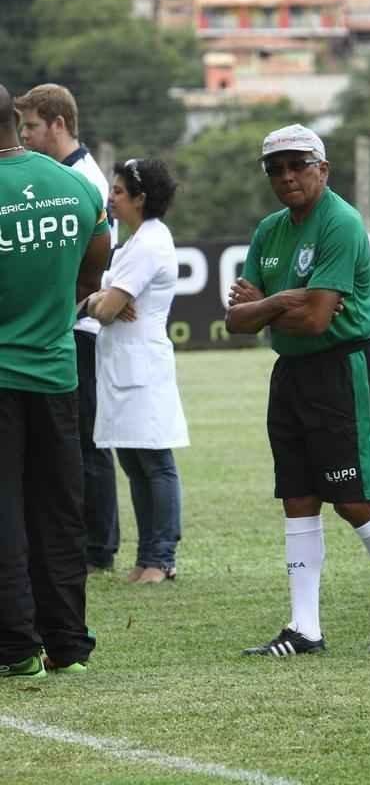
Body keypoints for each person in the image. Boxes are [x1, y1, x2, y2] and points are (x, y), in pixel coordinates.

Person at [226, 123, 370, 654]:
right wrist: (281, 302)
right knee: (297, 496)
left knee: (350, 498)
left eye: (298, 164)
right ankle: (305, 629)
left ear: (324, 169)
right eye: (276, 168)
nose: (287, 175)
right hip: (291, 375)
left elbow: (319, 319)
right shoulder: (269, 230)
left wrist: (267, 304)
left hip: (342, 371)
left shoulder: (340, 222)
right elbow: (235, 320)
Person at [0, 84, 110, 678]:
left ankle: (16, 648)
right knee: (60, 513)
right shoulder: (75, 186)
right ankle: (68, 643)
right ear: (15, 123)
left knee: (5, 511)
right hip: (57, 370)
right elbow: (90, 272)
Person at [15, 83, 120, 574]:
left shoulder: (82, 180)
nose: (24, 135)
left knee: (87, 441)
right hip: (62, 327)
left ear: (58, 123)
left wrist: (66, 305)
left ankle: (98, 545)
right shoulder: (62, 175)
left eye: (31, 125)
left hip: (74, 329)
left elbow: (97, 260)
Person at [87, 158, 190, 585]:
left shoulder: (149, 244)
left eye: (118, 191)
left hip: (141, 365)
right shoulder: (134, 242)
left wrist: (99, 299)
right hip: (123, 364)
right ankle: (147, 556)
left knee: (154, 461)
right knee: (133, 459)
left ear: (141, 199)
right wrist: (103, 297)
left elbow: (107, 310)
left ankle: (160, 558)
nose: (111, 197)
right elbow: (106, 301)